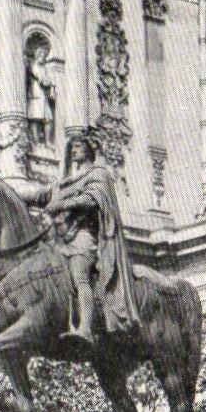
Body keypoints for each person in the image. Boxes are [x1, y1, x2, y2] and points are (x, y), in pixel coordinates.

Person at [44, 134, 139, 344]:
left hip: (84, 236)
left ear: (89, 149)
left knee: (80, 276)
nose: (74, 150)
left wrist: (61, 205)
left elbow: (91, 200)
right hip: (61, 239)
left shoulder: (98, 174)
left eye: (78, 146)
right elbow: (41, 194)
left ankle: (86, 328)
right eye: (73, 147)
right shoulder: (65, 183)